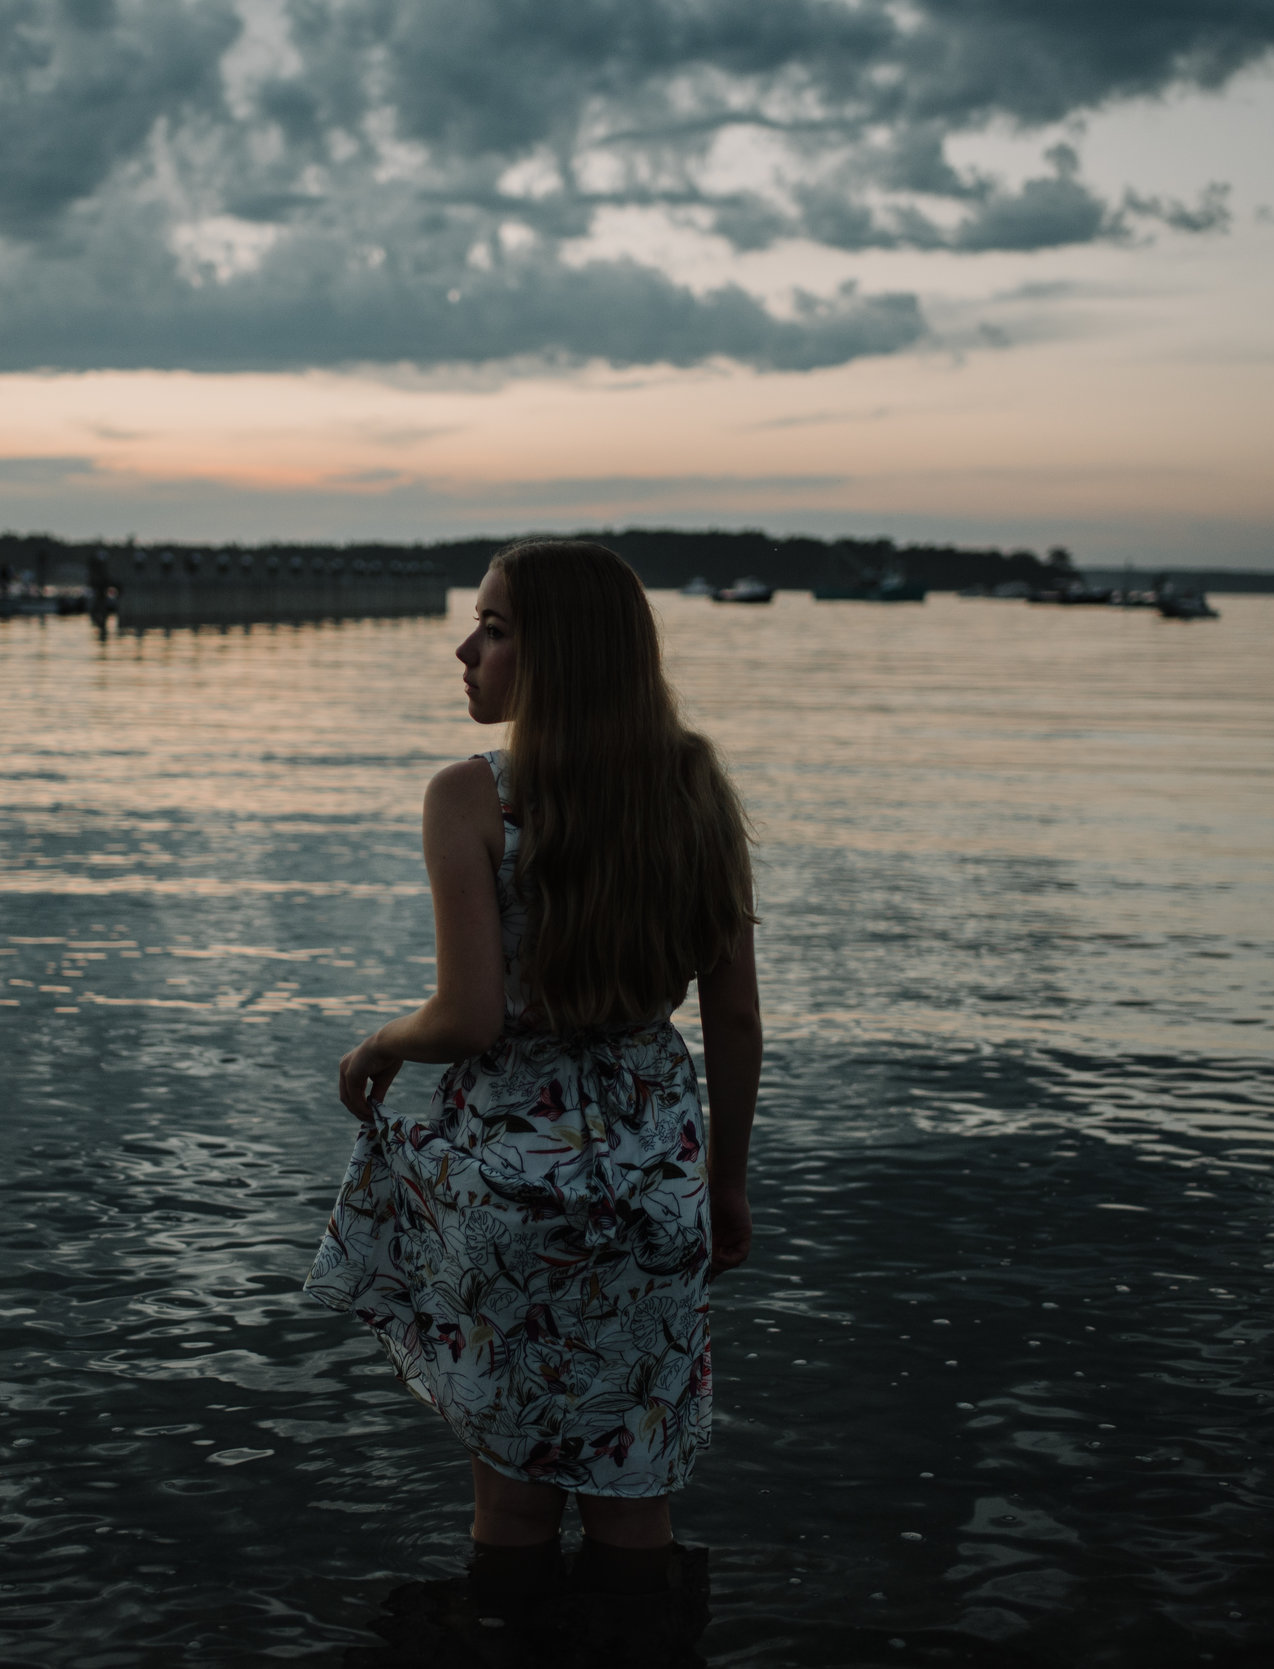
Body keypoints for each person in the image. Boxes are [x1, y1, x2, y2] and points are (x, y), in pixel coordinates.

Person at [305, 538, 762, 1634]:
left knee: (512, 1508)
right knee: (632, 1493)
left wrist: (379, 1042)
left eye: (495, 627)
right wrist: (728, 1188)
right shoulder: (695, 789)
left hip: (515, 1188)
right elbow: (735, 1017)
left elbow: (465, 1018)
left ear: (560, 656)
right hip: (658, 1176)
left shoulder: (473, 798)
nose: (464, 650)